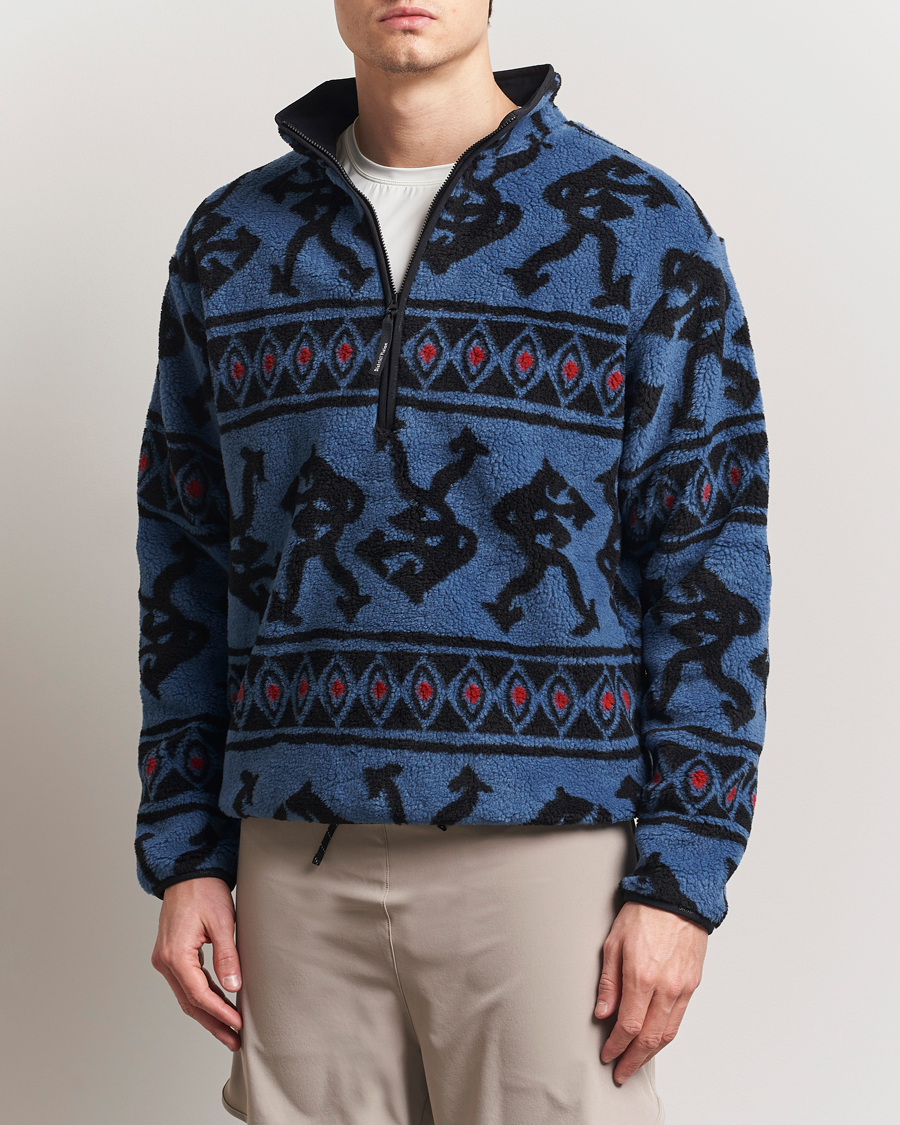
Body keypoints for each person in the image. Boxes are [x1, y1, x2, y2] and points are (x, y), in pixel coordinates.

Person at [135, 2, 771, 1122]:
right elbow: (184, 557)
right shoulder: (233, 240)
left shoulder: (640, 227)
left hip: (548, 848)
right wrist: (187, 853)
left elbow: (711, 560)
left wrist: (683, 877)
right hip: (295, 852)